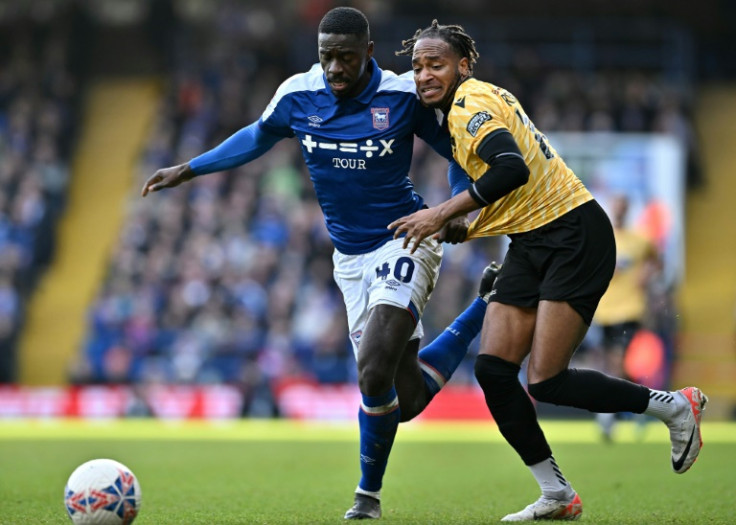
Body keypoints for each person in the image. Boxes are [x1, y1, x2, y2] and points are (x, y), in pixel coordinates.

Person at [141, 7, 497, 520]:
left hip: (405, 238)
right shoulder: (297, 95)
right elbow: (256, 137)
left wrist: (454, 208)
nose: (334, 67)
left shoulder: (400, 95)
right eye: (326, 56)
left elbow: (457, 150)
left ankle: (366, 497)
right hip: (349, 258)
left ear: (369, 53)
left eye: (346, 58)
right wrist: (189, 169)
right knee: (407, 396)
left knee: (373, 369)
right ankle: (482, 306)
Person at [390, 20, 708, 522]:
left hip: (573, 235)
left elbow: (511, 167)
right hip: (533, 240)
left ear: (463, 66)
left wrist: (442, 213)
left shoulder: (472, 103)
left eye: (436, 64)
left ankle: (671, 406)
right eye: (418, 67)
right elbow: (514, 187)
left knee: (545, 380)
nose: (425, 74)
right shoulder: (469, 106)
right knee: (494, 370)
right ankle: (556, 493)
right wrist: (466, 227)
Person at [593, 194, 661, 440]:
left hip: (630, 309)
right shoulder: (602, 237)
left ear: (628, 209)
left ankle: (607, 416)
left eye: (624, 206)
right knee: (614, 364)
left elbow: (656, 262)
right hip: (603, 311)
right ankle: (644, 406)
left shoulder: (640, 239)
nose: (620, 210)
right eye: (617, 206)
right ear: (612, 208)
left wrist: (646, 274)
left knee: (618, 361)